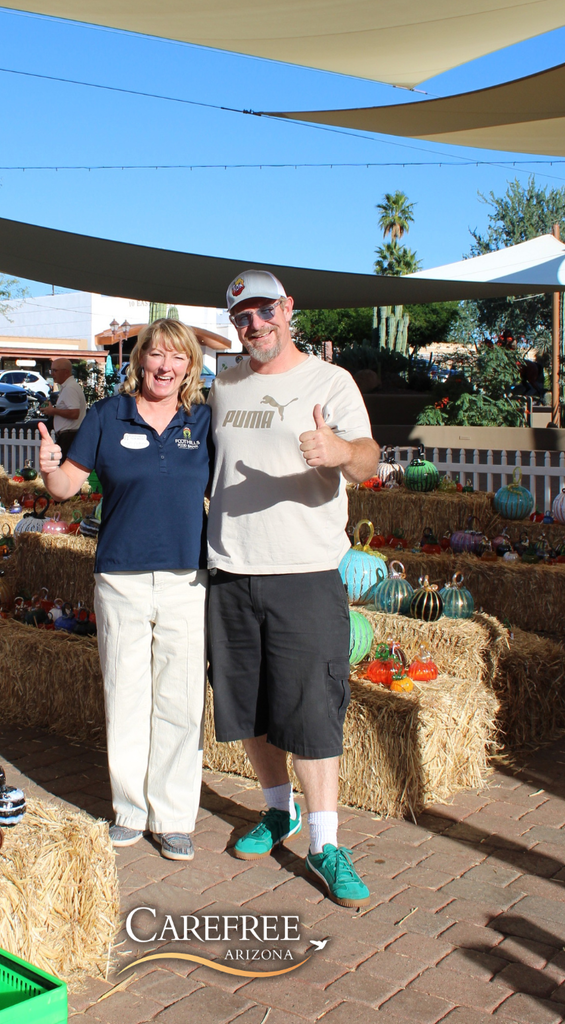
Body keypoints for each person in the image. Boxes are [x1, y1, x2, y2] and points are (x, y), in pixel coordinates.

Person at [207, 269, 379, 908]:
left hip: (304, 572)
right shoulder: (224, 386)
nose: (255, 325)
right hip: (230, 569)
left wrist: (338, 452)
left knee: (310, 709)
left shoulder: (331, 382)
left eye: (264, 312)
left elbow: (369, 458)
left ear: (288, 309)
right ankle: (277, 811)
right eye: (242, 317)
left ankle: (326, 842)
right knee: (248, 705)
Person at [37, 319, 211, 861]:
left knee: (180, 700)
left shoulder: (203, 421)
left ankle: (175, 816)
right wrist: (47, 468)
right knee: (128, 695)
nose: (165, 366)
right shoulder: (108, 415)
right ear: (139, 361)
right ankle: (131, 810)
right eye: (156, 355)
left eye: (176, 358)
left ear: (189, 367)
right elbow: (67, 485)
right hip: (121, 577)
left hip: (187, 578)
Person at [39, 358, 86, 461]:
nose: (52, 374)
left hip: (69, 436)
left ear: (66, 372)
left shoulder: (70, 388)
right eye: (51, 370)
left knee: (65, 470)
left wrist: (53, 411)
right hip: (69, 435)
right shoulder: (69, 387)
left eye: (55, 370)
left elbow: (74, 413)